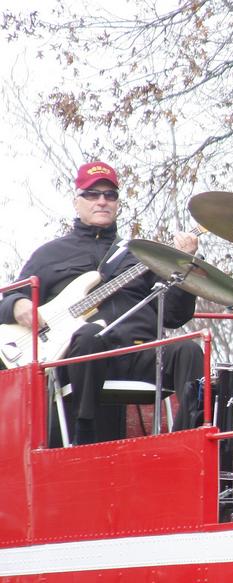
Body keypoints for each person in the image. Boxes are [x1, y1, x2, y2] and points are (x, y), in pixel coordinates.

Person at [0, 161, 203, 444]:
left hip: (138, 352)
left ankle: (186, 440)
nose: (102, 201)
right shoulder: (50, 254)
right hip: (81, 356)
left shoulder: (140, 254)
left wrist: (186, 265)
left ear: (118, 202)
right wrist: (18, 304)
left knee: (190, 350)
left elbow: (173, 316)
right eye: (92, 194)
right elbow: (7, 299)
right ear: (77, 201)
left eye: (110, 195)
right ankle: (84, 433)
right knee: (90, 335)